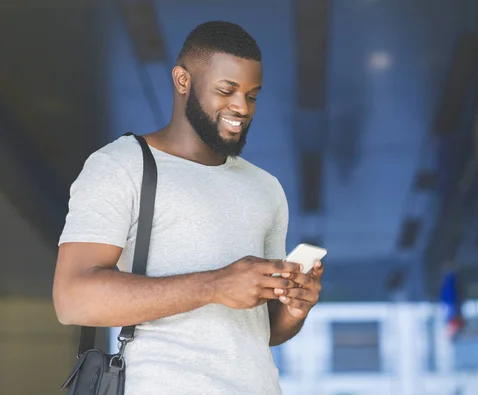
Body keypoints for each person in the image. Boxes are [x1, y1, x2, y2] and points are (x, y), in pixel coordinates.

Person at [52, 21, 324, 395]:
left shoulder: (266, 188)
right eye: (226, 90)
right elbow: (72, 300)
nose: (241, 107)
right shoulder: (120, 165)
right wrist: (215, 284)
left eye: (252, 95)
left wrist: (295, 308)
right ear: (183, 81)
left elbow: (266, 330)